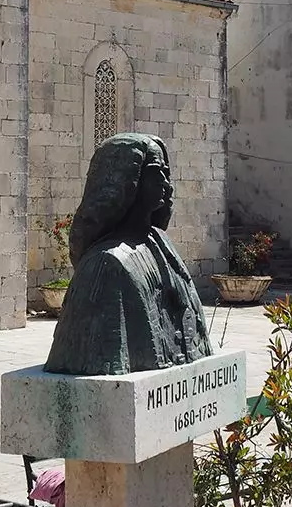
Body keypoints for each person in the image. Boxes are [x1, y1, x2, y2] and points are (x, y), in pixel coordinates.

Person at [45, 132, 213, 375]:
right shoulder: (107, 264)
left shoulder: (160, 242)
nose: (167, 185)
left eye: (168, 174)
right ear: (128, 180)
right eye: (158, 173)